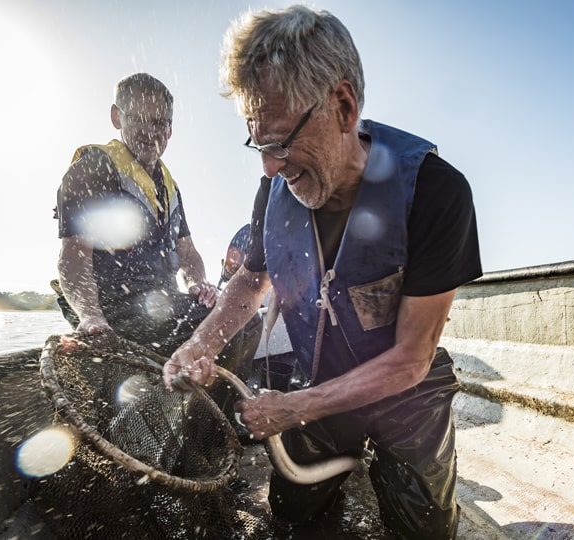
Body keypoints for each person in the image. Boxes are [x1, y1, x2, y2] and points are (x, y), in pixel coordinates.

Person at [162, 6, 481, 539]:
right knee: (296, 520)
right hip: (319, 374)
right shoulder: (275, 185)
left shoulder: (437, 192)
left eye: (281, 141)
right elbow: (250, 280)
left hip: (407, 395)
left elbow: (412, 357)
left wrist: (296, 407)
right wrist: (203, 343)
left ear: (343, 104)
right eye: (259, 144)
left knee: (425, 524)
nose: (269, 166)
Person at [53, 73, 258, 361]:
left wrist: (198, 282)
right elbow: (73, 256)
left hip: (163, 305)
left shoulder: (170, 187)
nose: (150, 132)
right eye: (138, 118)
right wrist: (90, 316)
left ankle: (202, 402)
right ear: (116, 117)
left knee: (244, 319)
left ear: (170, 129)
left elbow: (188, 253)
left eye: (160, 123)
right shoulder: (95, 166)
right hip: (113, 309)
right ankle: (187, 400)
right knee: (228, 326)